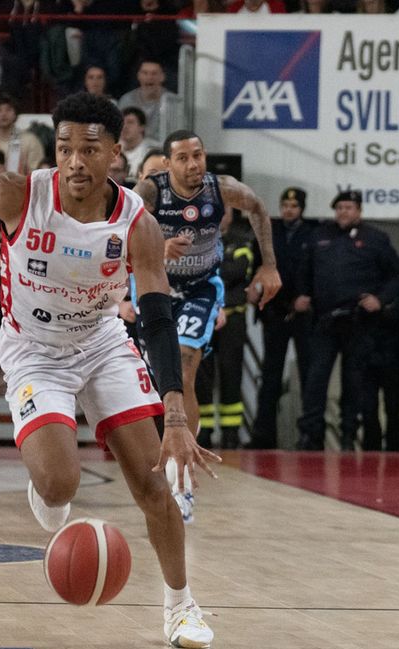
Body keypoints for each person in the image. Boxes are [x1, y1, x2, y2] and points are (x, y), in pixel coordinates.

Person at [0, 93, 224, 649]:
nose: (75, 162)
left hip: (101, 342)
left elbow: (158, 319)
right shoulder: (19, 194)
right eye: (65, 148)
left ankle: (181, 607)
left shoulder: (137, 223)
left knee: (151, 481)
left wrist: (176, 415)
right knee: (61, 483)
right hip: (34, 350)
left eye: (90, 149)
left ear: (115, 153)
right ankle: (47, 484)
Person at [133, 130, 280, 510]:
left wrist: (269, 265)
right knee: (157, 379)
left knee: (184, 371)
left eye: (197, 155)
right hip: (156, 284)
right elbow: (120, 231)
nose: (193, 164)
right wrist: (158, 247)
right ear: (168, 164)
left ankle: (182, 481)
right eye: (183, 158)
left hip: (201, 288)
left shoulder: (221, 188)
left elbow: (258, 207)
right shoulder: (150, 190)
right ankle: (158, 458)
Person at [293, 190, 399, 451]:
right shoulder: (319, 236)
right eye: (339, 207)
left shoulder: (375, 238)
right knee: (316, 378)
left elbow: (396, 277)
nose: (343, 212)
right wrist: (302, 294)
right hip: (325, 320)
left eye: (349, 207)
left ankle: (348, 435)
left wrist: (380, 299)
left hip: (358, 321)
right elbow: (303, 271)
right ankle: (311, 435)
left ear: (359, 211)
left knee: (354, 381)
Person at [245, 188, 317, 449]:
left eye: (294, 206)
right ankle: (263, 435)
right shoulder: (268, 232)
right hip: (275, 311)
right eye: (285, 205)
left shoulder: (313, 234)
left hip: (303, 312)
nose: (288, 210)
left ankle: (311, 435)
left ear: (302, 208)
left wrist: (309, 297)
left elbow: (319, 271)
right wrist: (253, 287)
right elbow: (256, 267)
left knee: (309, 374)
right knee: (271, 375)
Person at [194, 210, 253, 449]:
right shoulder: (198, 239)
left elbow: (238, 271)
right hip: (204, 316)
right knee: (201, 374)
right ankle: (204, 430)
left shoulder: (241, 240)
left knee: (231, 373)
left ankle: (231, 431)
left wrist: (210, 269)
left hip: (232, 316)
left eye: (225, 210)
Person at [360, 270, 399, 452]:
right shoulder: (364, 277)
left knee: (395, 407)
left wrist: (379, 307)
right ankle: (371, 448)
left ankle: (395, 448)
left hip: (394, 354)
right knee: (368, 408)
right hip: (366, 352)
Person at [118, 61, 187, 144]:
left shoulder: (172, 102)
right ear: (138, 76)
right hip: (131, 148)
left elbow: (177, 135)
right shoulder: (126, 100)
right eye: (145, 73)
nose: (149, 77)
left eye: (154, 73)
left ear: (162, 77)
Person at [119, 107, 159, 184]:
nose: (125, 126)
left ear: (142, 127)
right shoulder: (112, 150)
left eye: (130, 122)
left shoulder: (152, 152)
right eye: (122, 123)